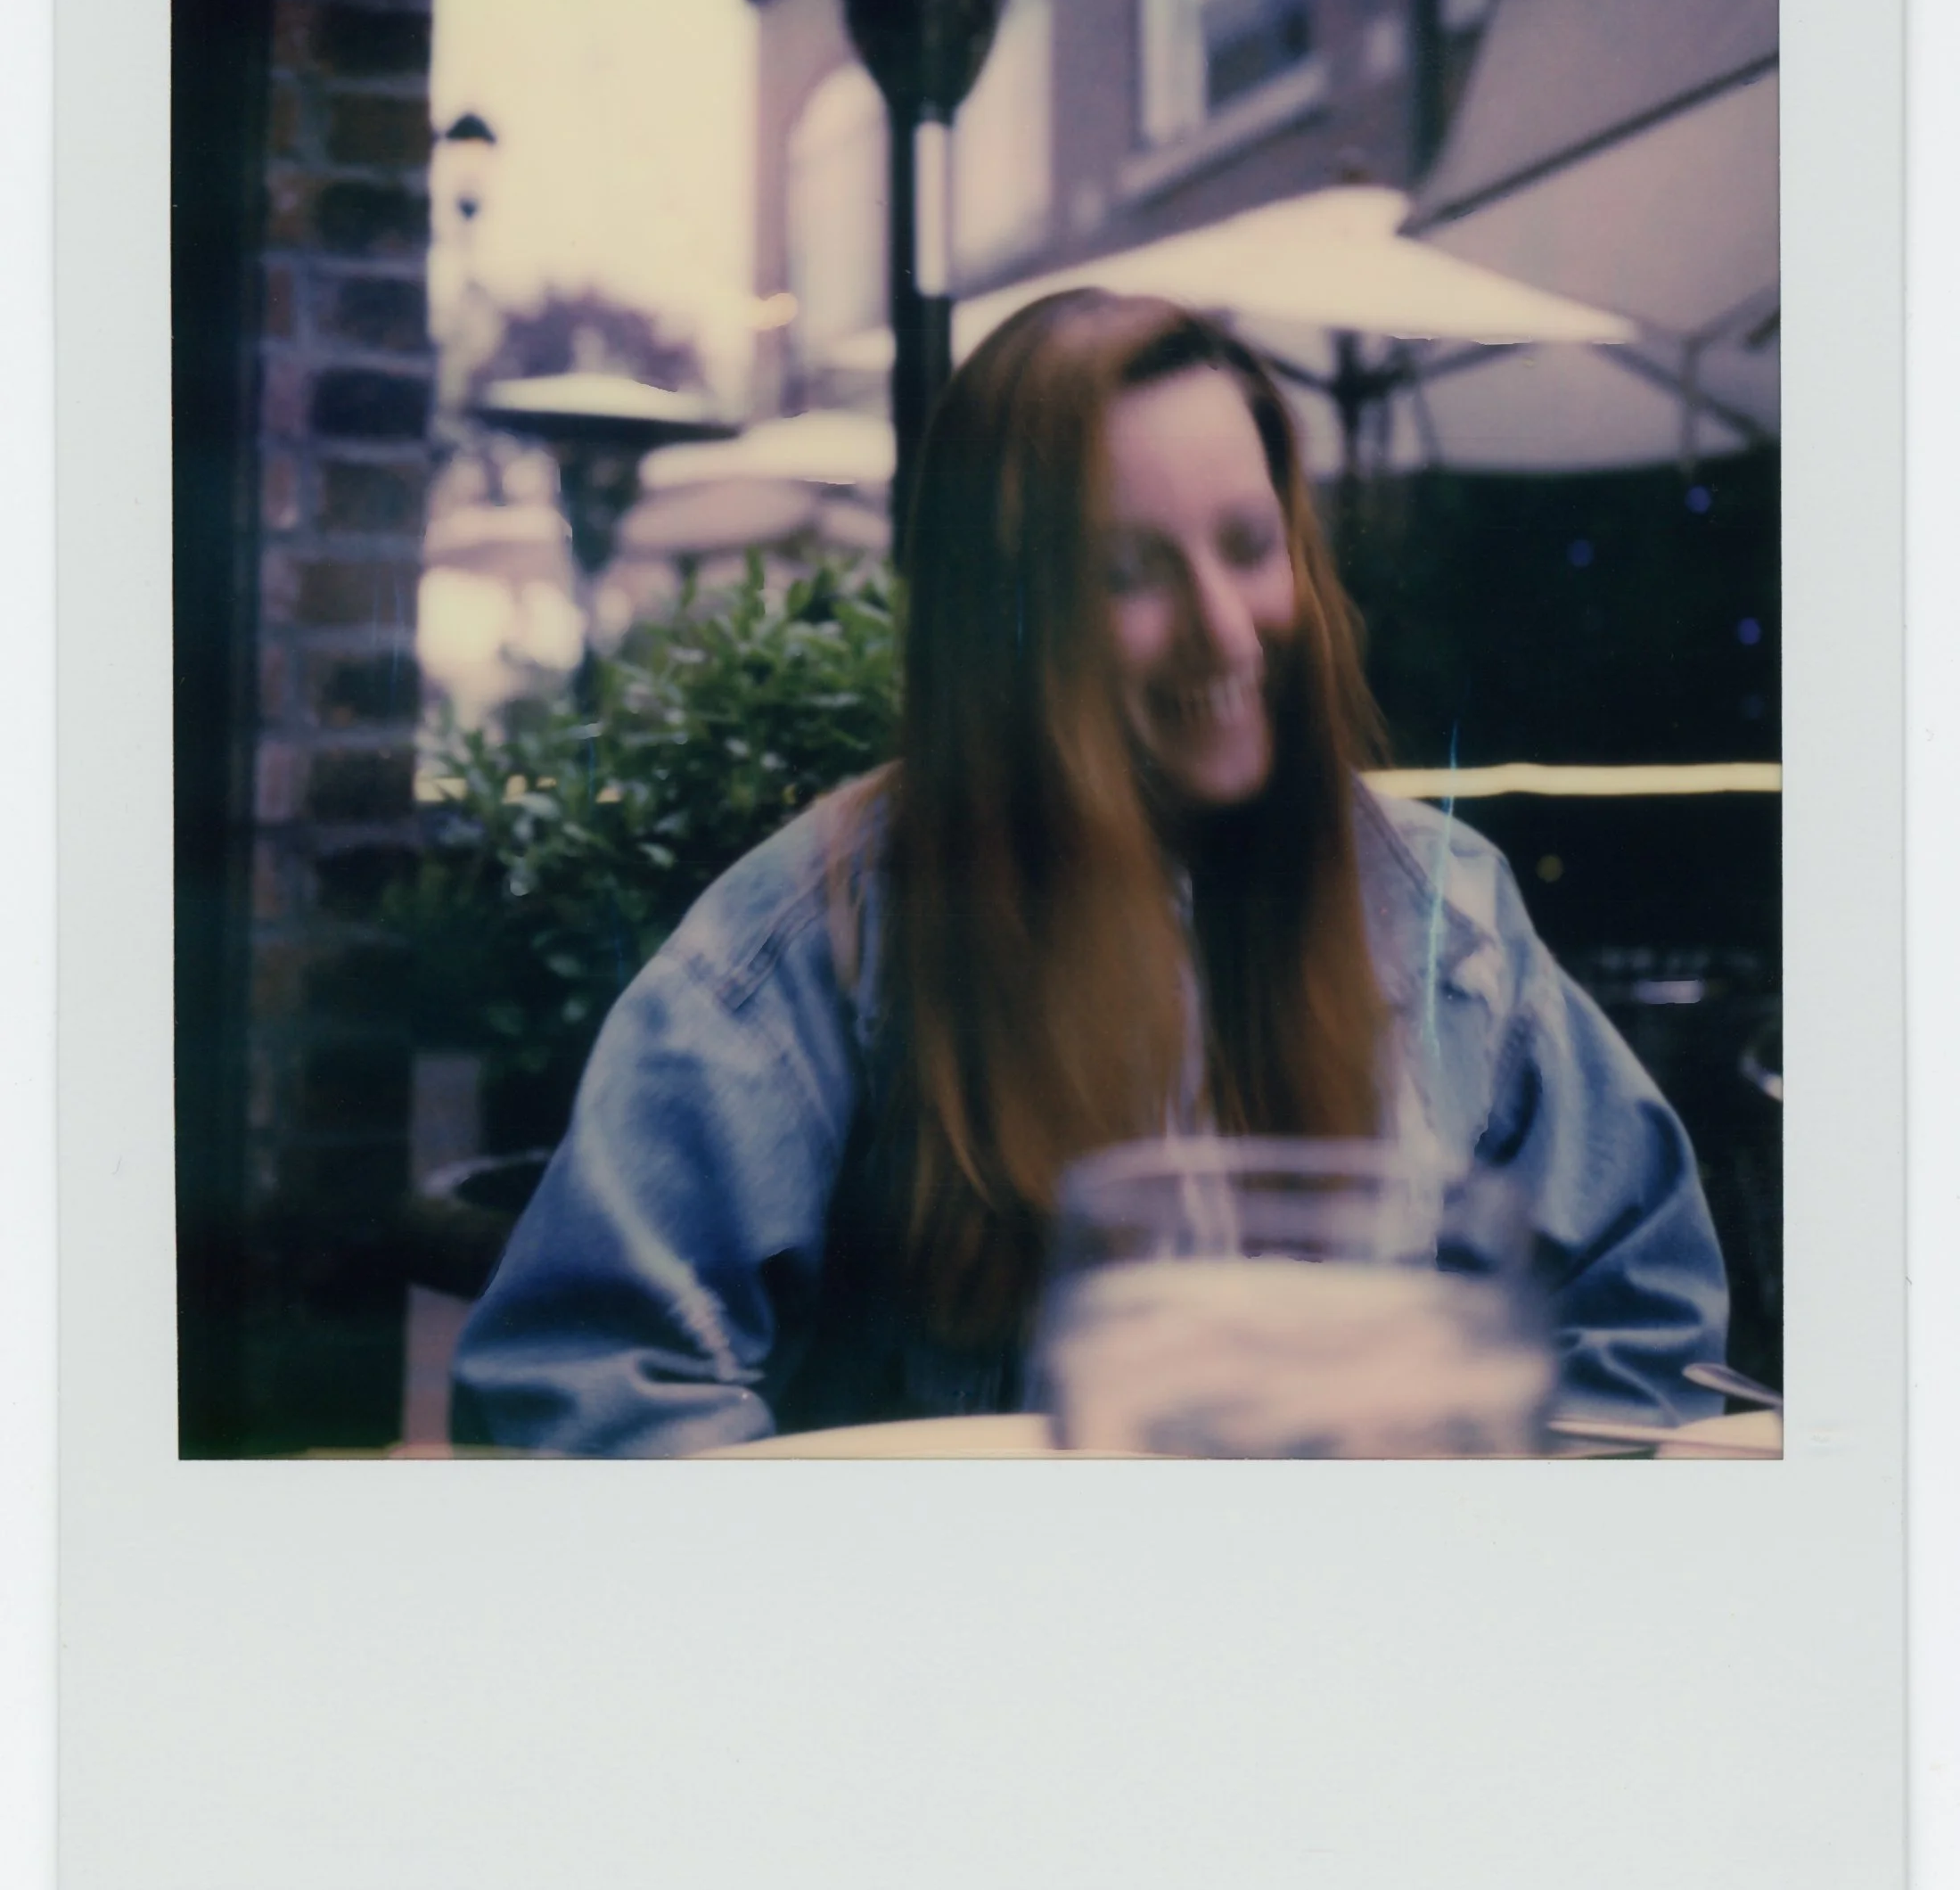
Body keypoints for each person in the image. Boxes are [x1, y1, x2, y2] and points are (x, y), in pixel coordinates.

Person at [452, 291, 1728, 1456]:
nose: (1225, 629)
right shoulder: (811, 943)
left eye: (1246, 542)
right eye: (1128, 572)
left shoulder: (1444, 915)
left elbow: (1639, 1323)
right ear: (1001, 617)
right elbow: (579, 1395)